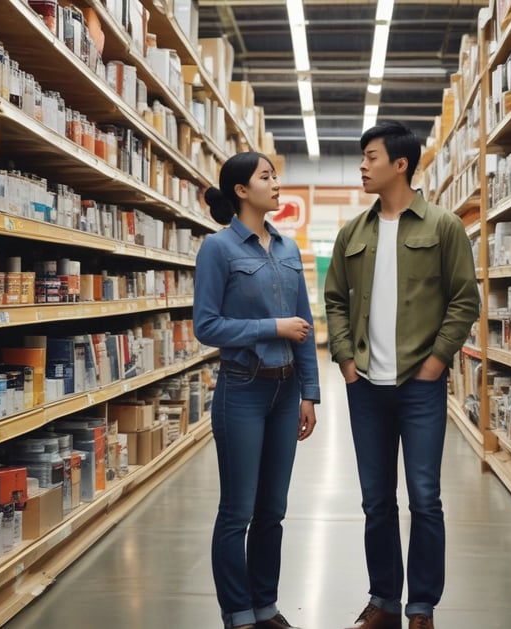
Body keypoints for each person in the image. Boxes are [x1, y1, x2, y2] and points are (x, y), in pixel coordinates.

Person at [324, 122, 480, 629]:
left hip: (420, 387)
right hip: (366, 386)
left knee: (425, 498)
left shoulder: (443, 226)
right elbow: (335, 302)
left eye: (371, 156)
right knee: (375, 500)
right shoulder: (353, 232)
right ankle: (385, 601)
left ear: (400, 164)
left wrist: (434, 364)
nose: (362, 166)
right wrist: (347, 363)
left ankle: (422, 606)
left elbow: (464, 302)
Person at [193, 152, 320, 629]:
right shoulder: (218, 249)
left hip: (286, 395)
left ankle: (265, 606)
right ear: (242, 191)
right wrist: (271, 327)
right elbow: (207, 326)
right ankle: (237, 612)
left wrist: (310, 391)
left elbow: (303, 326)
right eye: (266, 177)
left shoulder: (287, 250)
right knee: (237, 511)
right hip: (241, 391)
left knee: (273, 510)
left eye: (275, 175)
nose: (276, 183)